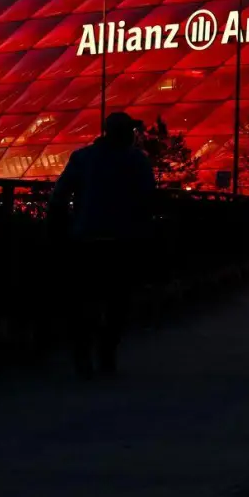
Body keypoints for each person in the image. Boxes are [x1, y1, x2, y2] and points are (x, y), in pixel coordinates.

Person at [48, 111, 157, 379]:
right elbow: (148, 200)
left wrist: (60, 228)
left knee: (83, 301)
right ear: (125, 133)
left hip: (85, 240)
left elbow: (59, 196)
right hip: (123, 241)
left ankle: (82, 356)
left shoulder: (83, 158)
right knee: (117, 301)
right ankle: (107, 353)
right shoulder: (137, 161)